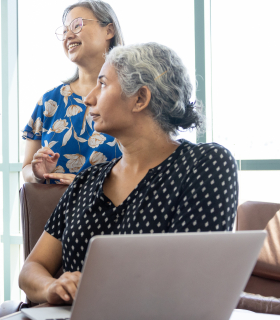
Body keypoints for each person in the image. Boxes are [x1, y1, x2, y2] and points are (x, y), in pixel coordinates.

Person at [18, 42, 238, 306]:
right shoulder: (87, 180)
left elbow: (192, 283)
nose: (88, 98)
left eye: (102, 84)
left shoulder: (205, 165)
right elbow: (31, 269)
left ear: (140, 99)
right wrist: (52, 287)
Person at [22, 0, 124, 185]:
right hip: (56, 212)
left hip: (115, 212)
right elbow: (27, 170)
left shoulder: (130, 97)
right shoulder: (49, 102)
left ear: (109, 30)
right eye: (64, 30)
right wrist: (38, 173)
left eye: (76, 25)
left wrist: (85, 185)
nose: (68, 35)